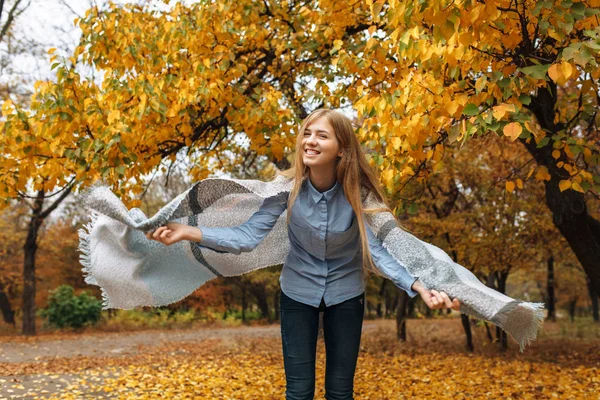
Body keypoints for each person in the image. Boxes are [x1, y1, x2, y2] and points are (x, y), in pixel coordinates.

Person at [145, 108, 460, 400]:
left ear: (342, 148)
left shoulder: (357, 194)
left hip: (347, 293)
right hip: (297, 291)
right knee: (299, 390)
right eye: (307, 133)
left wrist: (417, 285)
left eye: (322, 136)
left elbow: (376, 251)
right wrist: (189, 232)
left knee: (340, 390)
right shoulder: (284, 188)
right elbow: (247, 237)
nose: (310, 141)